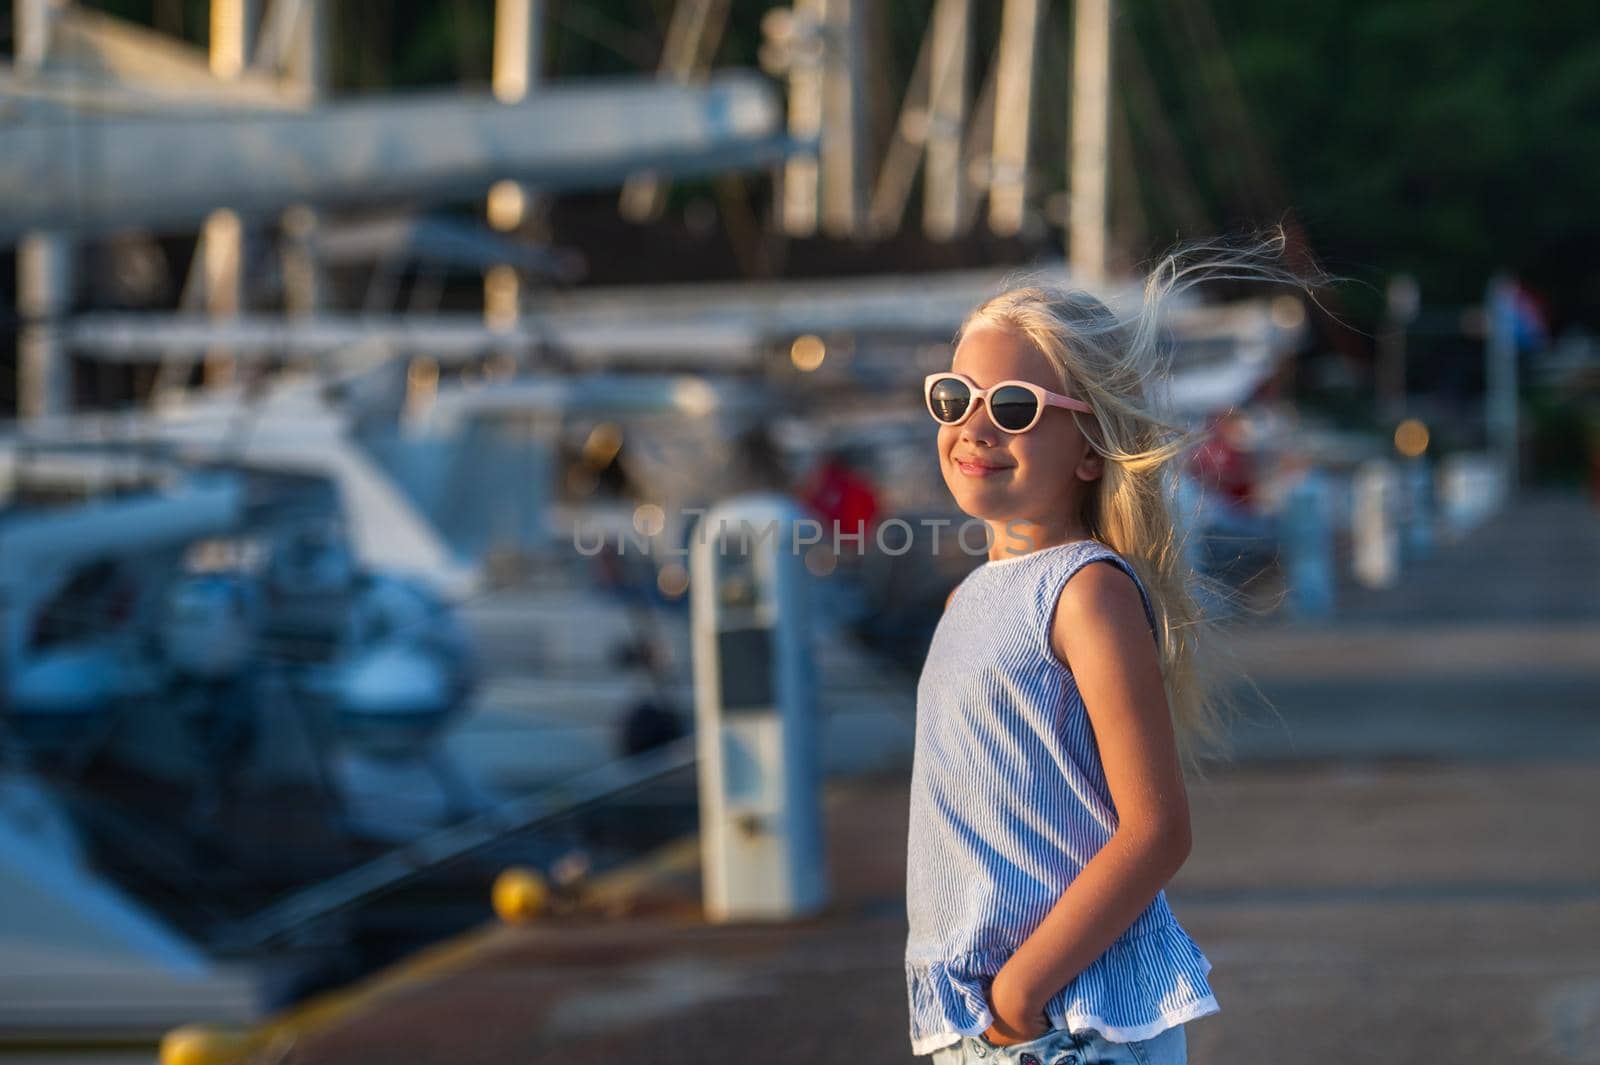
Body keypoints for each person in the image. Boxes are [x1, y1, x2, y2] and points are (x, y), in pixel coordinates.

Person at [905, 241, 1298, 1065]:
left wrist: (1018, 997)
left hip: (1069, 1026)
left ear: (1090, 447)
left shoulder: (1085, 593)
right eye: (954, 398)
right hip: (979, 1024)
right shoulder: (966, 599)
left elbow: (1157, 828)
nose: (973, 426)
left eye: (1012, 407)